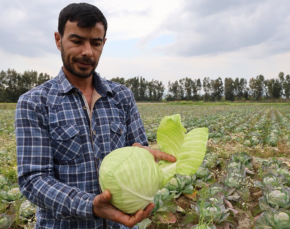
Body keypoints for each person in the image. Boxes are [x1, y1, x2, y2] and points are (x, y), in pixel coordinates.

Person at [15, 3, 176, 229]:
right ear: (58, 40)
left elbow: (138, 155)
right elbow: (34, 181)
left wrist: (147, 161)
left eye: (95, 43)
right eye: (77, 41)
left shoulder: (122, 96)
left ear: (103, 44)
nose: (87, 52)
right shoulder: (34, 102)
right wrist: (90, 205)